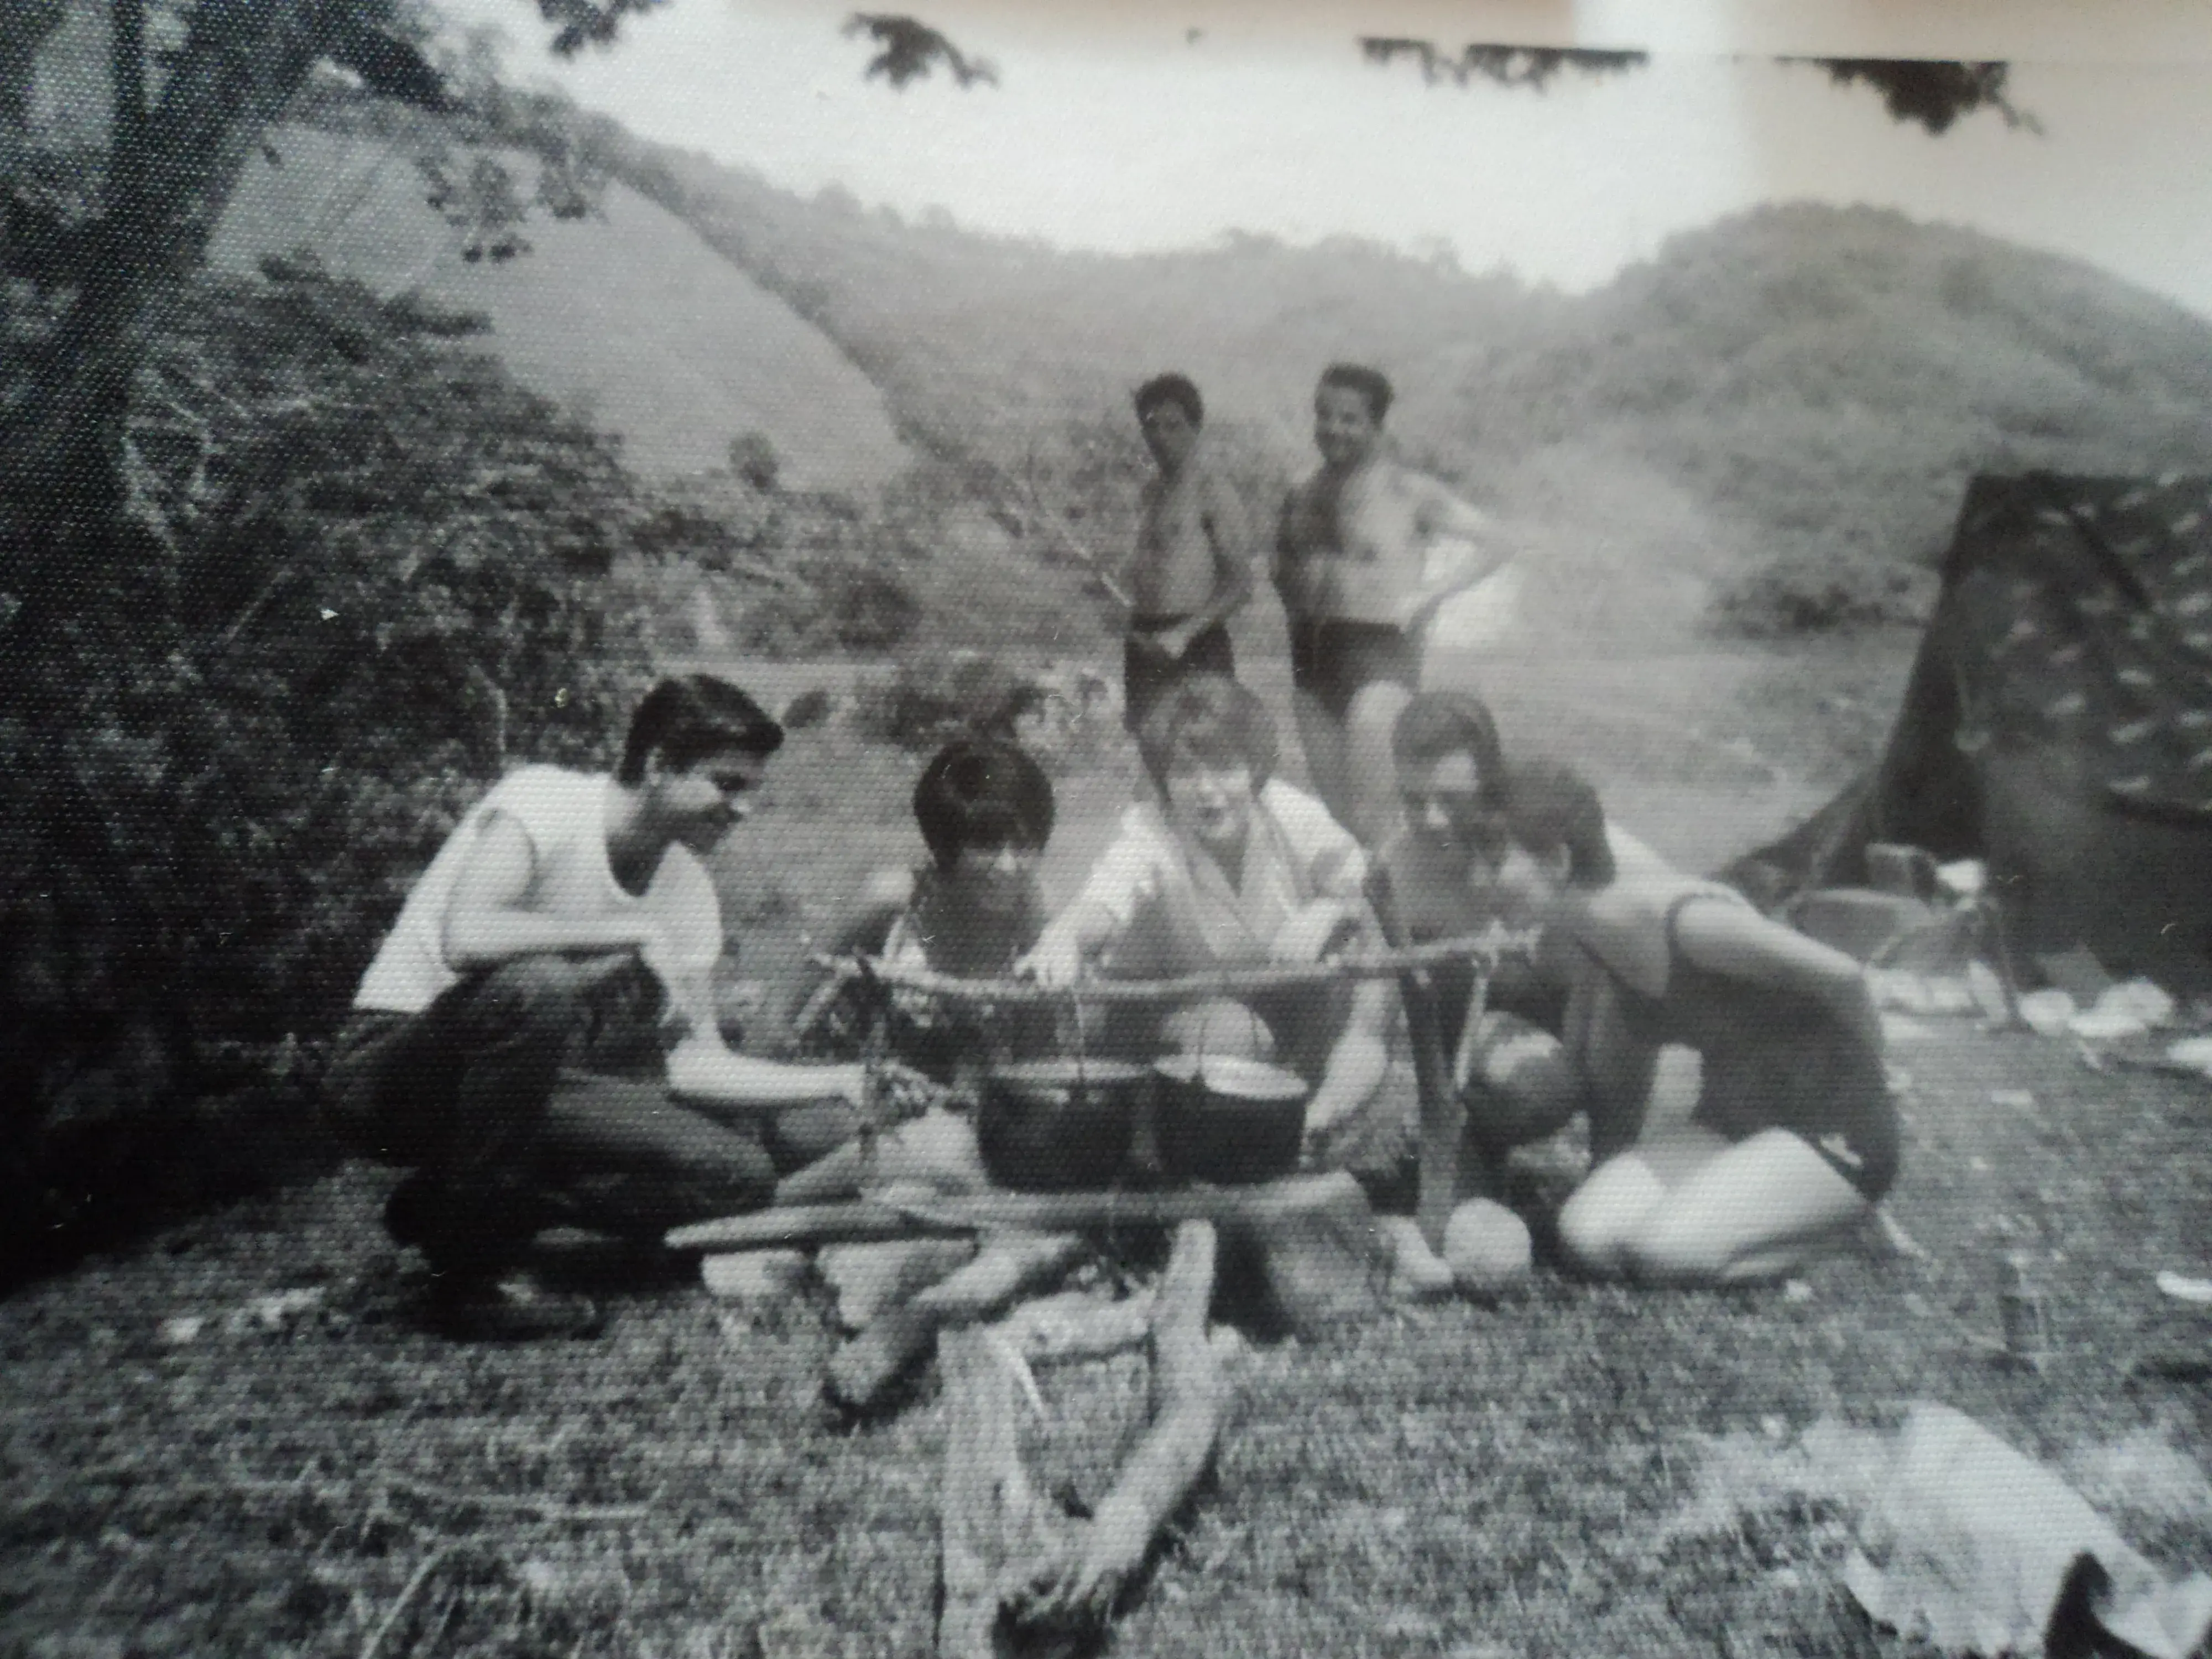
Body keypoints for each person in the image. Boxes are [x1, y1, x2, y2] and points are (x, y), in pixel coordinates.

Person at [322, 675, 874, 1339]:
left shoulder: (686, 886)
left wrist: (841, 1080)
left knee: (739, 1177)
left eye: (751, 789)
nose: (742, 808)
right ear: (658, 764)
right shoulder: (545, 803)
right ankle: (470, 1283)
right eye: (726, 784)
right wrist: (630, 932)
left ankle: (458, 1204)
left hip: (529, 1092)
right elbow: (467, 936)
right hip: (391, 1069)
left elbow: (695, 1065)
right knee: (537, 985)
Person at [1490, 760, 1899, 1286]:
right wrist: (1609, 1166)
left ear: (1557, 861)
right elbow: (1623, 1065)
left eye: (1494, 859)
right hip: (1731, 1124)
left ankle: (1838, 1234)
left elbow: (1844, 977)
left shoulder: (1688, 923)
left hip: (1833, 1130)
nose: (1479, 878)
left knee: (1663, 1256)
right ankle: (1768, 1217)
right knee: (1586, 1237)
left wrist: (1874, 1081)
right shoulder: (1596, 934)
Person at [1017, 675, 1401, 1179]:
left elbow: (1370, 883)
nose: (1206, 791)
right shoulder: (1151, 831)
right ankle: (1177, 1159)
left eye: (1225, 768)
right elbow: (1104, 901)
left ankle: (1317, 1118)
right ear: (1163, 781)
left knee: (1362, 962)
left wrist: (1332, 911)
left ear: (1255, 770)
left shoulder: (1290, 815)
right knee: (1233, 1034)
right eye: (1184, 772)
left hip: (1268, 1001)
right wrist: (1065, 936)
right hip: (1162, 1015)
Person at [1368, 693, 1670, 1295]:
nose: (1429, 820)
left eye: (1449, 800)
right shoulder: (1400, 869)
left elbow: (1677, 969)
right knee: (1460, 1218)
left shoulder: (1585, 850)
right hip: (1499, 1057)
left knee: (1615, 985)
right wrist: (1321, 1112)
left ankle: (1610, 1167)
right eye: (1412, 800)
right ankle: (1473, 1151)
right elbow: (1366, 1028)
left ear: (1492, 783)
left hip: (1606, 1037)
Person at [1274, 363, 1517, 847]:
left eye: (1349, 419)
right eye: (1324, 415)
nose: (1333, 429)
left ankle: (1406, 915)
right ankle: (1362, 917)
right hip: (1312, 658)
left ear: (1376, 426)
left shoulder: (1409, 492)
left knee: (1375, 817)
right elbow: (1282, 562)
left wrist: (1429, 595)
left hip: (1379, 655)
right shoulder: (1301, 491)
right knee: (1337, 824)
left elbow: (1499, 541)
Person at [1118, 373, 1258, 732]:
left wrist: (1184, 634)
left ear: (1196, 427)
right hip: (1145, 641)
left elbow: (1241, 585)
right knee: (1150, 757)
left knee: (1202, 758)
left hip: (1196, 644)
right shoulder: (1150, 492)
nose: (1161, 437)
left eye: (1174, 426)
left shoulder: (1213, 490)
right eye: (1152, 426)